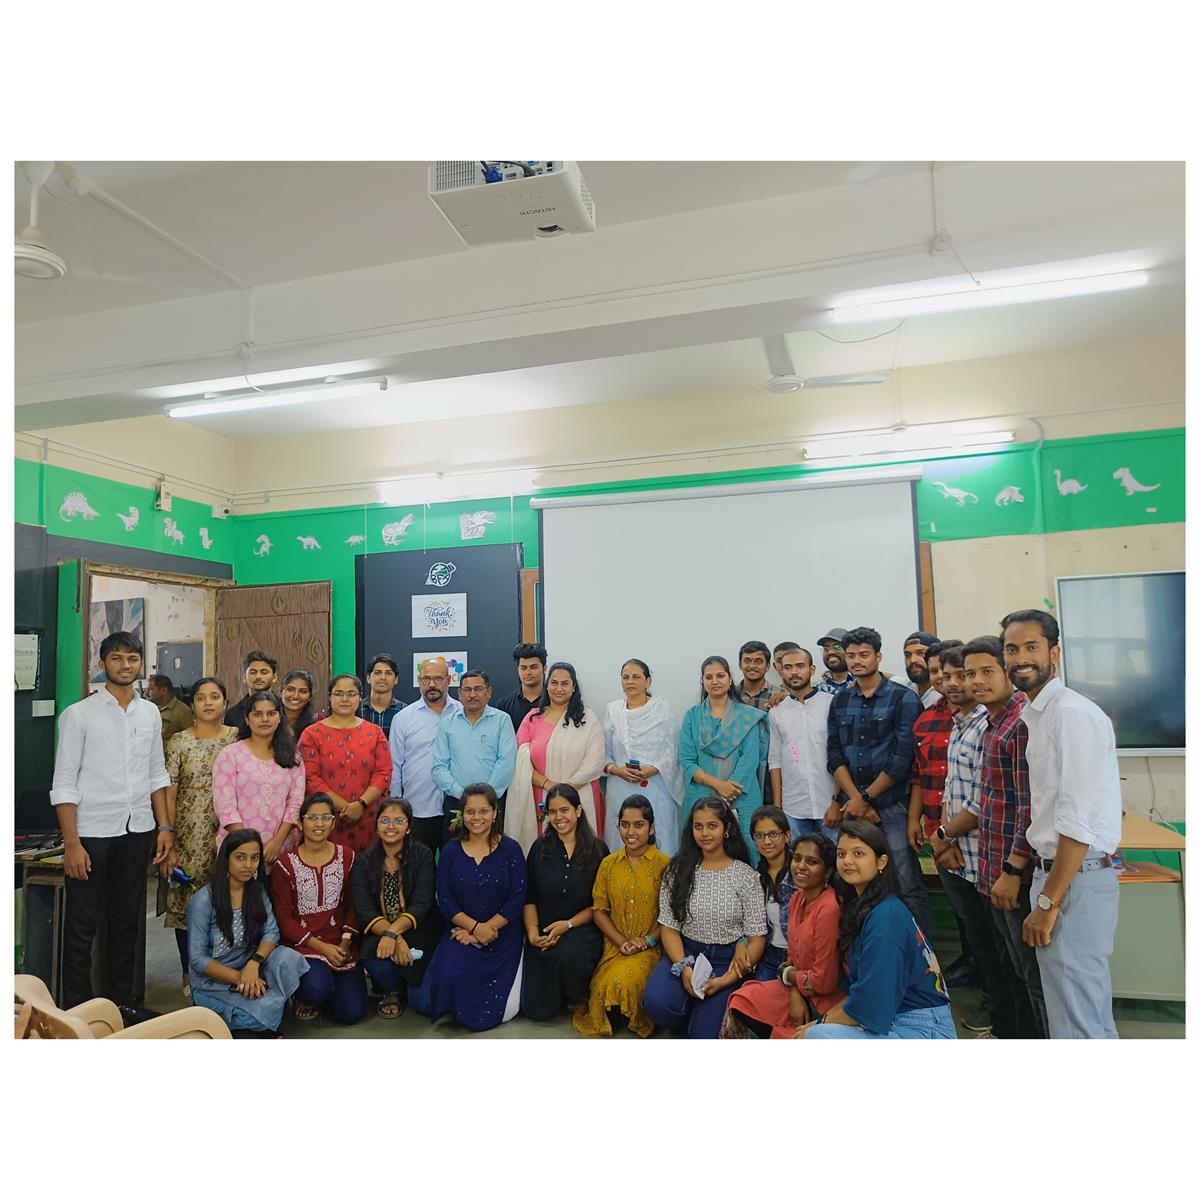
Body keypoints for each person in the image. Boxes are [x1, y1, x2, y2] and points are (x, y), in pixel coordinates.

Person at [1003, 609, 1122, 1039]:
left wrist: (1047, 903)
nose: (1020, 658)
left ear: (1054, 652)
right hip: (1062, 876)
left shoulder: (1070, 715)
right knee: (1078, 1016)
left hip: (1072, 880)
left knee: (1077, 1023)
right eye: (1011, 649)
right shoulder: (1039, 714)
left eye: (1031, 646)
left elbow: (1076, 821)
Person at [51, 630, 173, 1014]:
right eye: (117, 658)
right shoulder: (79, 715)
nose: (125, 665)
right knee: (82, 926)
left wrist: (165, 828)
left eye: (132, 658)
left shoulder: (149, 712)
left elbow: (157, 773)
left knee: (125, 922)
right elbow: (64, 783)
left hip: (137, 829)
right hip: (91, 833)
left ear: (141, 664)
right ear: (102, 663)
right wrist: (72, 843)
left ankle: (122, 1005)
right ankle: (78, 1011)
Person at [961, 635, 1047, 1038]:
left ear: (1007, 673)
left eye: (987, 671)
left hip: (1013, 873)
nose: (976, 681)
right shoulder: (991, 723)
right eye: (970, 674)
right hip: (992, 867)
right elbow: (993, 801)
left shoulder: (1020, 726)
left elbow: (1027, 806)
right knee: (1011, 969)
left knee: (1033, 977)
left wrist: (1013, 870)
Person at [801, 820, 955, 1040]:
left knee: (817, 1036)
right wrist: (820, 1021)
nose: (847, 861)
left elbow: (869, 1004)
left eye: (858, 853)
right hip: (897, 1018)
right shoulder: (865, 905)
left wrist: (817, 1025)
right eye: (841, 854)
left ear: (881, 861)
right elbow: (859, 993)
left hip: (924, 1029)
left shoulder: (886, 918)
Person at [824, 626, 928, 933]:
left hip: (892, 807)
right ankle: (866, 943)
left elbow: (902, 758)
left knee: (906, 881)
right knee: (855, 880)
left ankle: (921, 951)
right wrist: (857, 800)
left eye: (864, 654)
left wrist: (866, 798)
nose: (856, 661)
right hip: (853, 808)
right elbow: (834, 755)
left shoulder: (903, 698)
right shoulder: (840, 700)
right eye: (851, 655)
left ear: (878, 656)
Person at [925, 646, 1006, 1035]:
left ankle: (1001, 1010)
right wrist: (945, 839)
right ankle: (993, 999)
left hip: (983, 856)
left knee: (995, 943)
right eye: (948, 676)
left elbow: (980, 800)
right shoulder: (959, 725)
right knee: (977, 938)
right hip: (957, 852)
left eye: (965, 675)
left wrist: (943, 835)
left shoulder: (987, 726)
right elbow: (950, 788)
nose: (955, 683)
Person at [642, 797, 768, 1039]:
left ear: (727, 828)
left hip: (726, 962)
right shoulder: (677, 871)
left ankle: (701, 1018)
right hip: (686, 953)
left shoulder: (745, 875)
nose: (705, 833)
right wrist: (683, 968)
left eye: (712, 826)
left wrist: (726, 980)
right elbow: (669, 928)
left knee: (704, 1035)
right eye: (698, 826)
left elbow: (757, 938)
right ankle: (686, 1013)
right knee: (657, 1004)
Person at [410, 783, 528, 1032]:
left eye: (484, 811)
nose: (477, 817)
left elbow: (517, 898)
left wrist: (486, 929)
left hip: (502, 935)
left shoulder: (511, 849)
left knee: (503, 1008)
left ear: (495, 813)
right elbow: (445, 899)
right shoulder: (450, 852)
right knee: (429, 996)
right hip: (461, 932)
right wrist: (474, 928)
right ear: (462, 815)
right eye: (470, 811)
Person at [187, 827, 309, 1037]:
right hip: (215, 981)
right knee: (255, 1017)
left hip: (251, 967)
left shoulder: (257, 891)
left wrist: (254, 963)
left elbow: (272, 932)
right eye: (240, 857)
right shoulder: (204, 900)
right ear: (226, 859)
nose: (248, 865)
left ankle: (263, 1006)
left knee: (290, 959)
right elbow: (198, 960)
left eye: (254, 858)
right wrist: (240, 978)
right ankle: (260, 1010)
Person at [721, 832, 843, 1037]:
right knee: (741, 1000)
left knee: (775, 1027)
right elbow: (792, 958)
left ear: (828, 871)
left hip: (825, 1002)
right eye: (797, 858)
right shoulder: (797, 898)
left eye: (812, 862)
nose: (801, 866)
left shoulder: (829, 908)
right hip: (798, 989)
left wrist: (788, 975)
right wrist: (794, 989)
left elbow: (824, 981)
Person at [161, 676, 238, 995]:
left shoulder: (236, 738)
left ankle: (225, 966)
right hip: (187, 834)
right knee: (186, 902)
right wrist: (168, 835)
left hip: (228, 829)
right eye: (201, 697)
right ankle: (188, 970)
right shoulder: (179, 742)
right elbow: (169, 792)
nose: (208, 702)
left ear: (225, 703)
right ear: (192, 705)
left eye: (214, 696)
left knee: (228, 899)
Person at [906, 638, 976, 988]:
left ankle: (984, 974)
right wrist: (916, 821)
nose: (945, 680)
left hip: (974, 833)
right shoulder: (924, 720)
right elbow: (920, 776)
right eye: (939, 673)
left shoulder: (978, 719)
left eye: (954, 674)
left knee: (982, 916)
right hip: (938, 831)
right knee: (962, 908)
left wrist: (948, 834)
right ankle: (971, 963)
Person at [574, 795, 671, 1038]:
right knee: (601, 988)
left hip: (651, 947)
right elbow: (599, 911)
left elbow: (670, 917)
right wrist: (621, 942)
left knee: (625, 981)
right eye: (625, 824)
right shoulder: (608, 864)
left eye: (638, 825)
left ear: (651, 828)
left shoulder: (665, 865)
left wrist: (647, 941)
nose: (630, 832)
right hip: (615, 946)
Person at [269, 793, 369, 1025]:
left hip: (340, 945)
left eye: (326, 817)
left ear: (333, 823)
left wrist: (344, 943)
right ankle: (308, 996)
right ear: (300, 823)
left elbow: (353, 904)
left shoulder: (347, 856)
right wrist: (322, 948)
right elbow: (283, 918)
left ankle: (332, 990)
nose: (319, 823)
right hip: (304, 946)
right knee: (316, 988)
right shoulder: (285, 864)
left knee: (352, 1014)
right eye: (312, 818)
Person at [520, 784, 607, 1021]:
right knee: (535, 1009)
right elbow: (529, 897)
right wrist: (533, 933)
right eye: (552, 812)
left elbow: (600, 905)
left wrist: (567, 925)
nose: (558, 817)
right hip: (544, 929)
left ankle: (576, 996)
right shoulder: (539, 849)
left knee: (571, 956)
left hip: (582, 926)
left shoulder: (598, 849)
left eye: (564, 810)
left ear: (578, 811)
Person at [350, 798, 439, 1018]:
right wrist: (393, 936)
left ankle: (410, 987)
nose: (391, 826)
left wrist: (394, 933)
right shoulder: (364, 861)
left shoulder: (423, 855)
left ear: (408, 827)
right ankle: (393, 989)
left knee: (424, 1004)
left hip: (420, 932)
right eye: (385, 820)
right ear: (376, 826)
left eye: (399, 821)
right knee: (373, 955)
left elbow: (422, 903)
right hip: (381, 933)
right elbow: (364, 910)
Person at [508, 662, 606, 853]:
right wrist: (549, 785)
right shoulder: (533, 718)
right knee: (545, 852)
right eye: (554, 683)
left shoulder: (587, 718)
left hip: (580, 794)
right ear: (547, 685)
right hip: (541, 795)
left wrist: (565, 791)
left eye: (565, 683)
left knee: (582, 852)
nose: (559, 688)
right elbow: (519, 762)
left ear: (573, 687)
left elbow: (595, 761)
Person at [679, 655, 768, 849]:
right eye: (709, 677)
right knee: (701, 849)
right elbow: (687, 760)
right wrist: (719, 786)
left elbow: (750, 758)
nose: (715, 681)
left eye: (720, 676)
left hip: (741, 794)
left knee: (746, 848)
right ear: (703, 681)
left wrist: (729, 791)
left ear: (730, 679)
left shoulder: (746, 716)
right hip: (701, 794)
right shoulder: (692, 716)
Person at [297, 673, 392, 854]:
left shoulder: (375, 732)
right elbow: (310, 778)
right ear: (330, 697)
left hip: (368, 816)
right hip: (326, 819)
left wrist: (360, 805)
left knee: (367, 866)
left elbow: (384, 772)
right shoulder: (311, 734)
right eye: (339, 693)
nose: (345, 699)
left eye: (351, 694)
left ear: (360, 697)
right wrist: (345, 808)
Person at [602, 658, 685, 857]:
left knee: (659, 835)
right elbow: (603, 753)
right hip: (621, 786)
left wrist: (652, 770)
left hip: (656, 786)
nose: (630, 682)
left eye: (636, 677)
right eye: (625, 677)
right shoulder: (613, 711)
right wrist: (617, 770)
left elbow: (673, 750)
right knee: (622, 835)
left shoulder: (662, 709)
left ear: (647, 681)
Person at [212, 690, 304, 864]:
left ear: (279, 718)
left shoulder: (293, 758)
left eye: (271, 714)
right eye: (257, 714)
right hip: (238, 848)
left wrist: (278, 842)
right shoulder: (230, 755)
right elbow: (225, 806)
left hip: (280, 848)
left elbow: (295, 803)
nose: (265, 719)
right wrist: (248, 846)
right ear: (247, 719)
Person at [389, 656, 463, 854]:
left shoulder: (463, 714)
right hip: (417, 809)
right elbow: (394, 765)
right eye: (426, 679)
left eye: (438, 678)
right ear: (419, 681)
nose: (431, 684)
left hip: (457, 807)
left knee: (455, 867)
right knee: (418, 867)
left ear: (449, 680)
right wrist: (396, 806)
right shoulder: (403, 718)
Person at [432, 669, 517, 839]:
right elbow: (439, 767)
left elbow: (506, 762)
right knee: (455, 851)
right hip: (457, 802)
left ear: (489, 692)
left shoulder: (502, 720)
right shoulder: (447, 723)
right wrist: (462, 795)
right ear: (459, 694)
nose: (472, 695)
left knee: (493, 849)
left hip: (492, 803)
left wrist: (486, 797)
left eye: (478, 689)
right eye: (467, 690)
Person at [767, 646, 836, 840]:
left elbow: (841, 755)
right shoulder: (776, 711)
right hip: (793, 806)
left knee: (834, 856)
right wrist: (778, 807)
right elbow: (775, 760)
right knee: (799, 857)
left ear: (812, 670)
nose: (794, 672)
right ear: (781, 671)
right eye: (788, 667)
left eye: (800, 666)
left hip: (829, 803)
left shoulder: (831, 704)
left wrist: (838, 800)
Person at [748, 806, 795, 979]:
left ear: (787, 836)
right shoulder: (756, 876)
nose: (766, 841)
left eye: (773, 834)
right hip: (770, 954)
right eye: (760, 835)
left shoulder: (800, 872)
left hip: (798, 955)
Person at [495, 641, 548, 733]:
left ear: (544, 668)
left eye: (533, 667)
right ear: (518, 669)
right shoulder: (504, 705)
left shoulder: (554, 701)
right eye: (523, 668)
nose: (528, 672)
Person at [224, 650, 279, 728]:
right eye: (253, 672)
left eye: (264, 672)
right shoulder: (233, 714)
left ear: (274, 677)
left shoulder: (285, 709)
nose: (258, 677)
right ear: (244, 677)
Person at [145, 673, 194, 751]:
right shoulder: (152, 709)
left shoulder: (182, 711)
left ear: (163, 690)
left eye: (151, 689)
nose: (147, 693)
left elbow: (191, 740)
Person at [361, 652, 405, 736]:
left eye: (388, 673)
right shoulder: (356, 709)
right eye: (377, 673)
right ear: (368, 678)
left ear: (396, 679)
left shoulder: (405, 712)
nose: (383, 677)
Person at [737, 640, 784, 711]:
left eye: (758, 661)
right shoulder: (729, 693)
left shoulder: (780, 694)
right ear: (740, 665)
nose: (752, 666)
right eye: (747, 661)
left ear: (767, 666)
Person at [903, 631, 941, 709]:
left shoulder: (944, 692)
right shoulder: (905, 686)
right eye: (907, 655)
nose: (912, 660)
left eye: (921, 653)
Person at [280, 669, 319, 742]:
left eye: (303, 691)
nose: (295, 696)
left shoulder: (317, 723)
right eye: (290, 690)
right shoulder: (269, 720)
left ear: (310, 696)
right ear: (281, 692)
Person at [815, 628, 853, 696]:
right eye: (826, 649)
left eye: (837, 647)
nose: (830, 652)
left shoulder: (863, 682)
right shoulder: (818, 689)